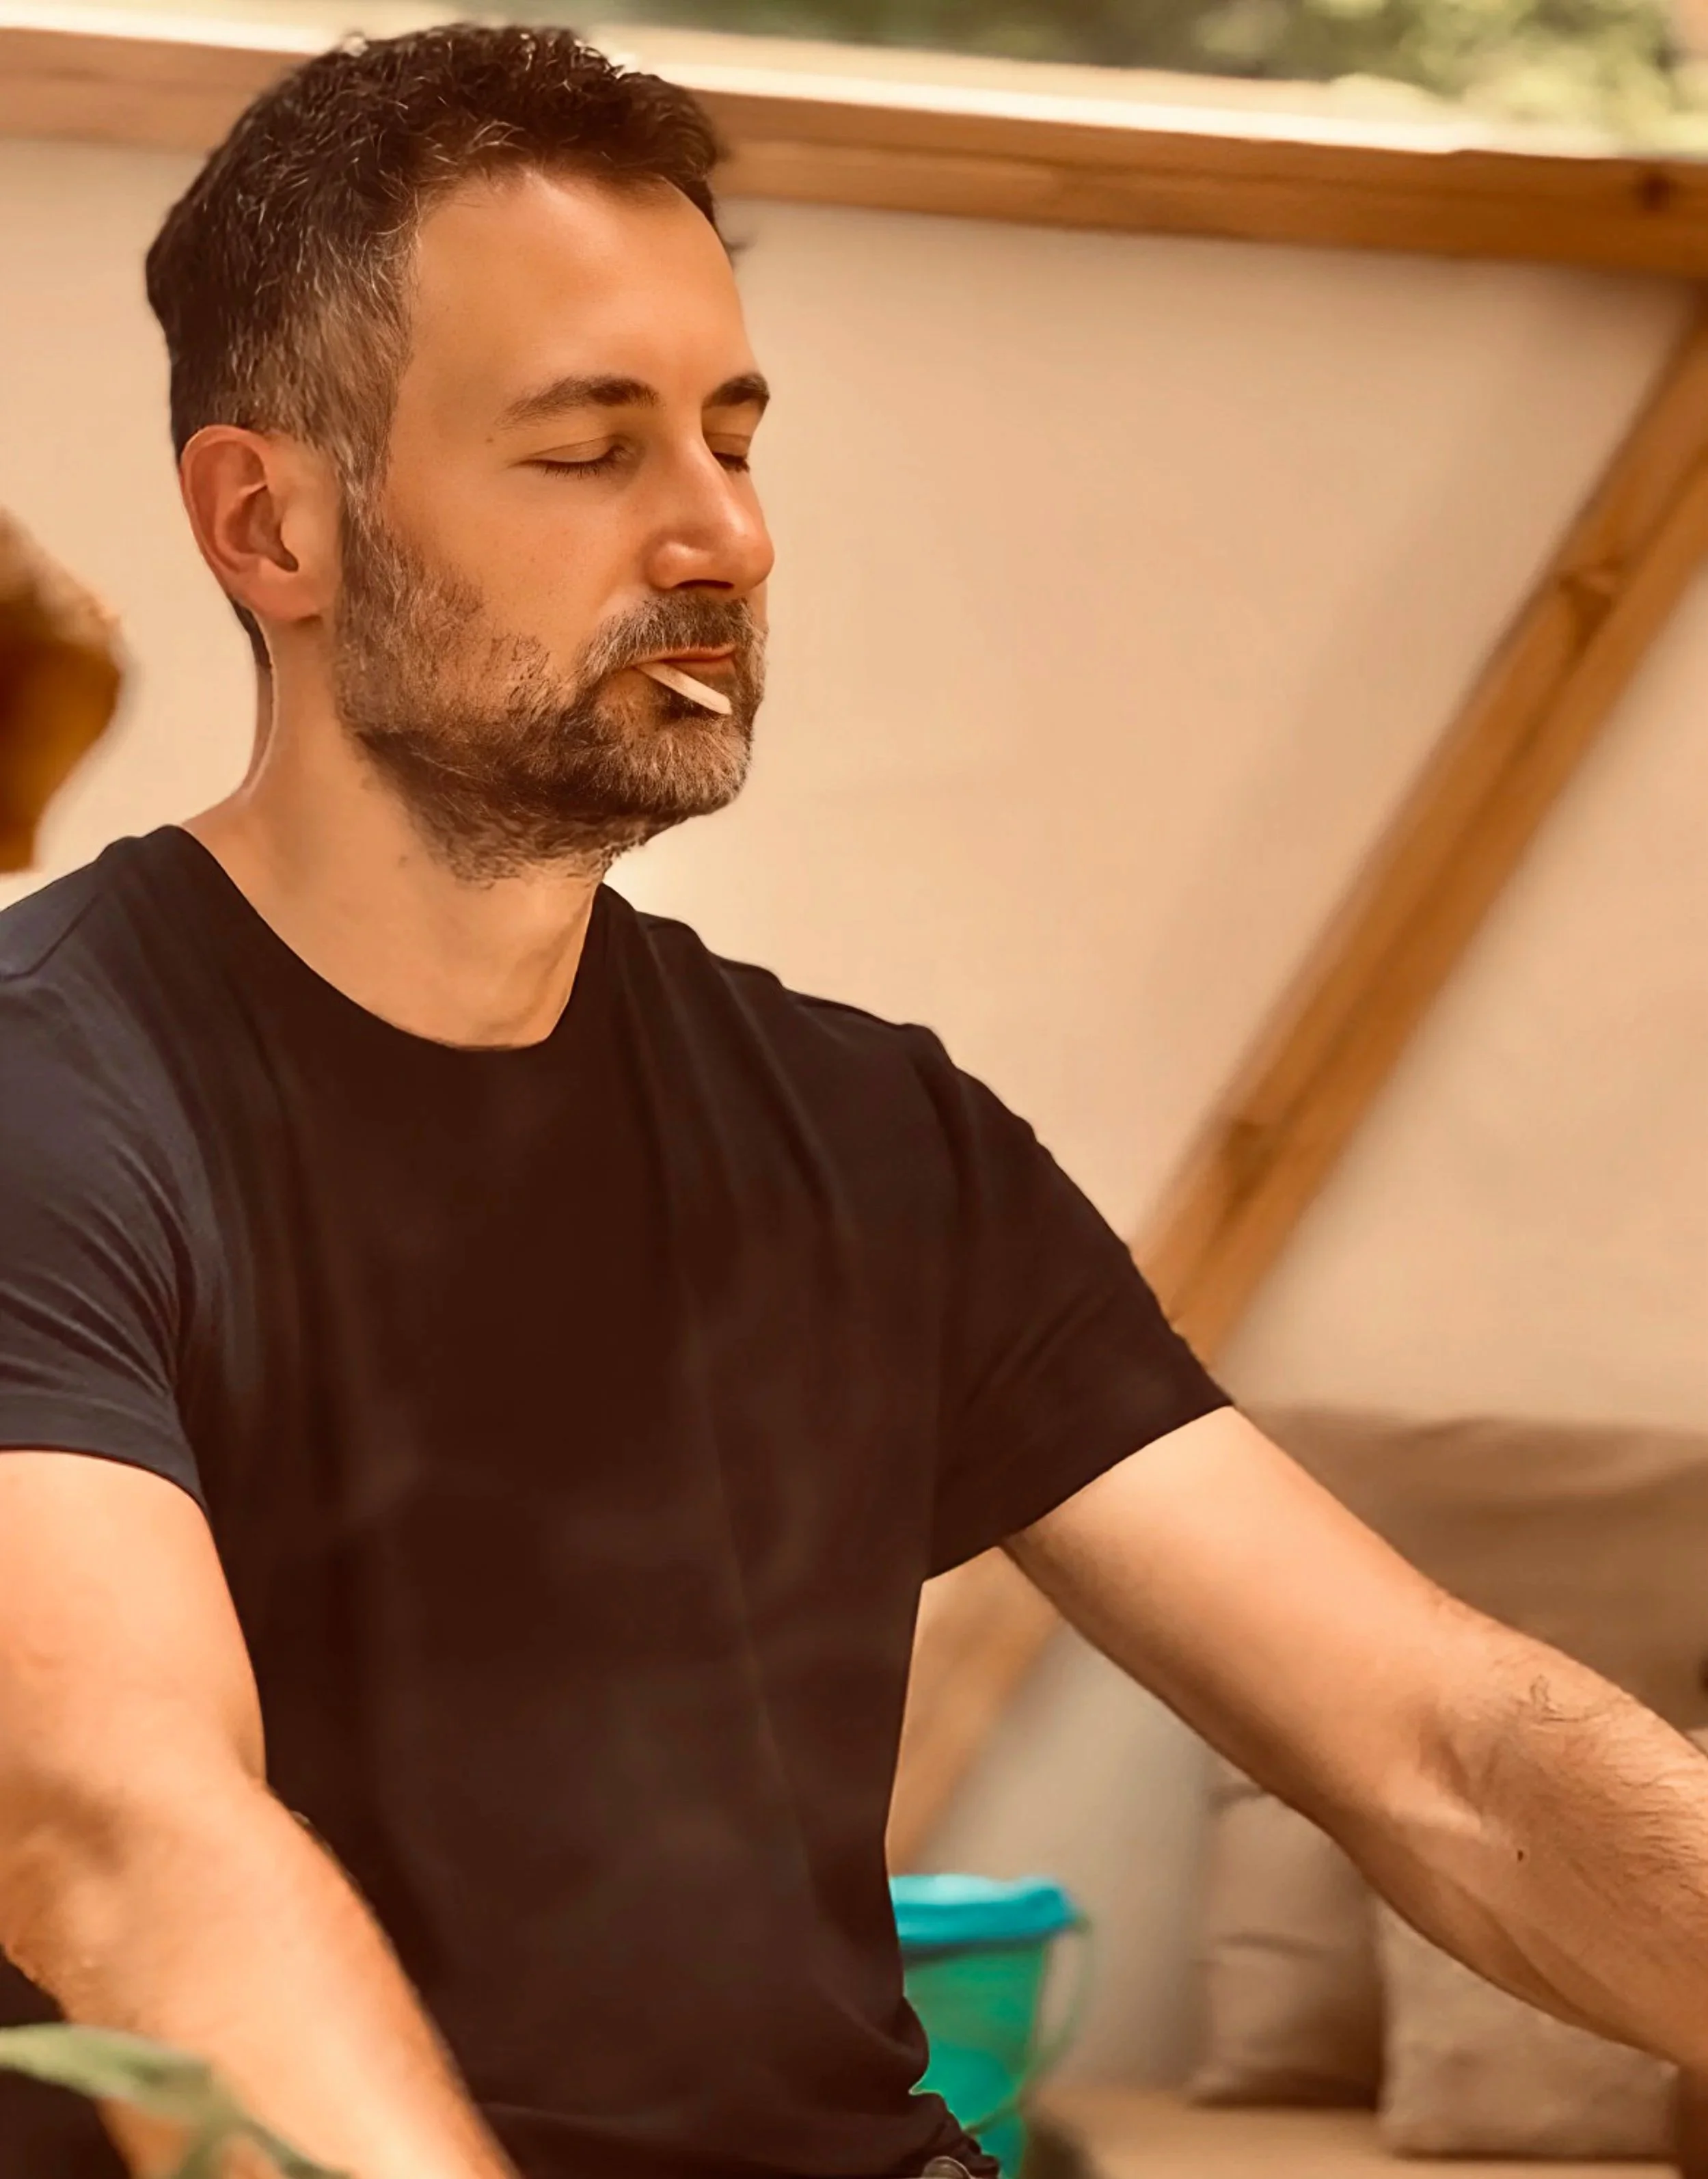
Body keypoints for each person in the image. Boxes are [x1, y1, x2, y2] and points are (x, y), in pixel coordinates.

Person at [0, 25, 1703, 2179]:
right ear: (275, 524)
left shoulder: (876, 1138)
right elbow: (114, 1829)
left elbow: (1444, 1747)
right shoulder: (48, 1099)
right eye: (590, 448)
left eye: (731, 432)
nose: (723, 531)